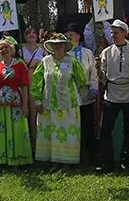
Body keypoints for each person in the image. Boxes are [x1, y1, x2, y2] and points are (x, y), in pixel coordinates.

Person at [96, 19, 129, 172]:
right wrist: (98, 69)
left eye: (116, 32)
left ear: (125, 33)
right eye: (111, 32)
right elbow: (103, 77)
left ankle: (125, 161)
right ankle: (107, 163)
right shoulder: (106, 52)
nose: (113, 35)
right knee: (105, 130)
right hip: (112, 95)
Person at [31, 33, 87, 165]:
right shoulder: (45, 62)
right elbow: (37, 82)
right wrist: (38, 100)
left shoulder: (72, 62)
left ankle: (67, 162)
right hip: (48, 104)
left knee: (66, 134)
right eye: (55, 44)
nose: (58, 46)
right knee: (50, 133)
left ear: (65, 46)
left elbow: (82, 80)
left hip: (68, 105)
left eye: (61, 44)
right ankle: (51, 161)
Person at [0, 36, 33, 166]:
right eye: (1, 48)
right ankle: (0, 159)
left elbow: (24, 86)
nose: (3, 50)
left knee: (15, 130)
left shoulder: (20, 65)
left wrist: (25, 106)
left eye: (6, 47)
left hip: (14, 104)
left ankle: (16, 158)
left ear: (12, 49)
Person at [65, 23, 98, 163]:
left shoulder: (87, 53)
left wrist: (93, 88)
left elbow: (93, 71)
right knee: (71, 128)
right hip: (69, 97)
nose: (68, 37)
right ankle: (72, 158)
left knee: (88, 127)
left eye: (71, 35)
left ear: (78, 36)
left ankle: (91, 158)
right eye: (67, 36)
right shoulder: (64, 55)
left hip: (85, 96)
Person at [22, 27, 44, 150]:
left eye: (33, 32)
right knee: (28, 112)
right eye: (28, 33)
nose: (31, 34)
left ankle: (39, 144)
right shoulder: (21, 51)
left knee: (38, 112)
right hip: (25, 85)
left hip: (38, 84)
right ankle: (29, 144)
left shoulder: (42, 51)